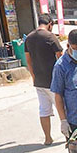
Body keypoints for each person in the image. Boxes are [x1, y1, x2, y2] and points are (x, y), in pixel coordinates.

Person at [24, 14, 64, 145]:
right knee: (62, 109)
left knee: (44, 110)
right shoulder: (50, 36)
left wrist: (34, 77)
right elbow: (61, 57)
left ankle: (47, 138)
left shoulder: (29, 38)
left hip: (39, 81)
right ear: (50, 24)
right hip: (53, 81)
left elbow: (28, 61)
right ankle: (69, 136)